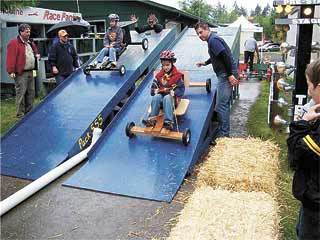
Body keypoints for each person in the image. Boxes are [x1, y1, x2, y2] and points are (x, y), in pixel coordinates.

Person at [287, 59, 320, 240]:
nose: (308, 92)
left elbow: (297, 155)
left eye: (309, 86)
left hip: (316, 203)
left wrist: (301, 124)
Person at [195, 22, 239, 138]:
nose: (199, 36)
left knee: (221, 105)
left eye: (201, 32)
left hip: (225, 74)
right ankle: (223, 131)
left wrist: (230, 75)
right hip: (224, 74)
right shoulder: (212, 40)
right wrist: (205, 62)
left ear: (207, 29)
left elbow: (225, 56)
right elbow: (217, 55)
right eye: (197, 34)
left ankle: (224, 135)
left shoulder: (213, 40)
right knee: (221, 105)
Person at [142, 50, 185, 130]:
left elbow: (181, 89)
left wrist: (174, 92)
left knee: (167, 97)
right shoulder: (159, 76)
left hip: (172, 100)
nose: (165, 67)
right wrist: (155, 90)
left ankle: (169, 122)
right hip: (161, 101)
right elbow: (153, 89)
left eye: (168, 65)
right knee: (156, 97)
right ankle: (152, 119)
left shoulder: (177, 76)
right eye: (163, 65)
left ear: (172, 63)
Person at [6, 23, 40, 118]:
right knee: (21, 93)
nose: (29, 33)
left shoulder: (30, 42)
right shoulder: (14, 43)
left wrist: (37, 54)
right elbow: (11, 58)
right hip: (21, 73)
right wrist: (11, 71)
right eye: (26, 31)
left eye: (29, 31)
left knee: (31, 92)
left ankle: (29, 113)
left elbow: (35, 51)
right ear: (21, 32)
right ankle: (20, 115)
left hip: (31, 71)